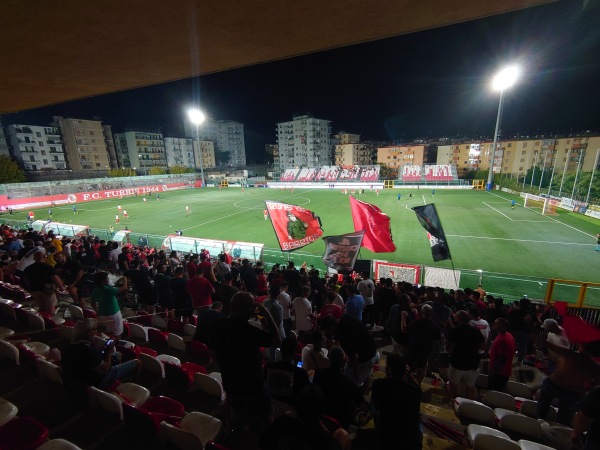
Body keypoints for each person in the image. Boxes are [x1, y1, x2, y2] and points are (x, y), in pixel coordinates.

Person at [209, 292, 282, 433]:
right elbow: (277, 340)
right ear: (246, 310)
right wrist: (266, 315)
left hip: (230, 381)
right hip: (253, 385)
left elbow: (212, 352)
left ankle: (236, 435)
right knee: (267, 415)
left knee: (236, 411)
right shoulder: (248, 332)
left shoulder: (217, 326)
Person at [61, 318, 141, 390]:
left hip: (78, 379)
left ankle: (116, 381)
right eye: (95, 329)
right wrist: (108, 352)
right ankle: (130, 387)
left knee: (118, 354)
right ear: (89, 333)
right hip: (96, 382)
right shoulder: (87, 349)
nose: (96, 331)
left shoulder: (67, 346)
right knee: (137, 362)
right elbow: (105, 369)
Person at [537, 341, 600, 425]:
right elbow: (595, 386)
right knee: (563, 421)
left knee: (541, 412)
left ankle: (539, 421)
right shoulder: (596, 366)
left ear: (581, 344)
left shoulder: (569, 353)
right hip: (573, 393)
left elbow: (546, 344)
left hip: (553, 386)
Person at [371, 354, 423, 450]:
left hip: (386, 439)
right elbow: (418, 389)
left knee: (375, 405)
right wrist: (408, 374)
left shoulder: (378, 385)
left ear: (389, 369)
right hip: (411, 443)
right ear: (404, 371)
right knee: (418, 416)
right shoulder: (414, 391)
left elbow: (376, 405)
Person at [447, 310, 485, 399]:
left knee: (453, 387)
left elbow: (449, 349)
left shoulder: (455, 331)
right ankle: (468, 406)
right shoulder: (476, 330)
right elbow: (483, 347)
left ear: (458, 319)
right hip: (473, 364)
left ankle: (452, 404)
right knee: (470, 388)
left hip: (458, 364)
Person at [23, 250, 65, 315]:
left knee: (41, 307)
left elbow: (26, 280)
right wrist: (62, 287)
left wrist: (30, 288)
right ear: (45, 257)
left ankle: (43, 320)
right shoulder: (48, 267)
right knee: (50, 307)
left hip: (35, 290)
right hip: (48, 290)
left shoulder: (28, 268)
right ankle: (50, 320)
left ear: (34, 258)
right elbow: (56, 278)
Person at [90, 271, 129, 338]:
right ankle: (117, 343)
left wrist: (96, 311)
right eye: (107, 278)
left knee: (110, 329)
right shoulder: (108, 290)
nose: (108, 279)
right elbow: (124, 288)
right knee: (117, 331)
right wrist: (125, 279)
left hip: (102, 314)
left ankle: (111, 341)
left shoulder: (94, 290)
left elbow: (92, 302)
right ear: (102, 281)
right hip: (113, 314)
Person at [488, 318, 516, 391]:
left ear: (503, 326)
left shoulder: (503, 339)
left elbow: (503, 358)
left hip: (500, 372)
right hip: (501, 371)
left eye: (496, 324)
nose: (494, 325)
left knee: (494, 392)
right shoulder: (506, 335)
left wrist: (493, 370)